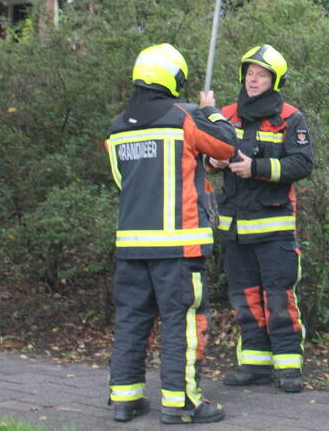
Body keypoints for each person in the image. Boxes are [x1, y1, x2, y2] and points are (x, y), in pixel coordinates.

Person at [104, 43, 234, 425]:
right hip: (179, 246)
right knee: (183, 323)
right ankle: (181, 404)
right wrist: (210, 108)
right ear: (174, 78)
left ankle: (125, 399)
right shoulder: (186, 117)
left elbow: (121, 181)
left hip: (131, 246)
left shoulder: (116, 129)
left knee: (131, 320)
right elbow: (227, 143)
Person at [209, 44, 315, 393]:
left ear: (274, 80)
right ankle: (253, 365)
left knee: (278, 299)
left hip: (274, 230)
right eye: (250, 73)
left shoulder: (289, 117)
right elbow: (207, 153)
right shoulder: (226, 113)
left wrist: (256, 168)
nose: (254, 80)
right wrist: (216, 162)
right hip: (235, 228)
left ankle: (288, 368)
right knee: (244, 298)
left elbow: (302, 164)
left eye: (262, 75)